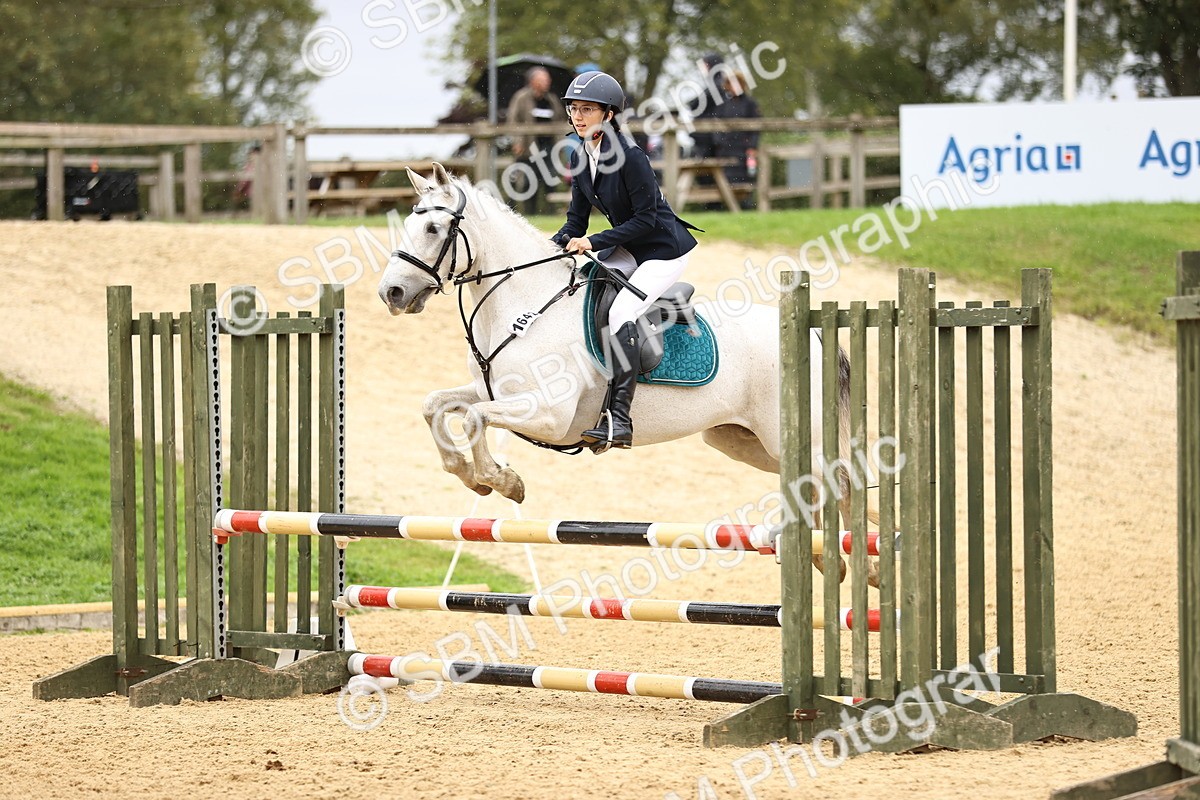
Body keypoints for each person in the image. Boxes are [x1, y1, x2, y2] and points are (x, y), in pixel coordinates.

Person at [552, 71, 701, 452]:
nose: (579, 117)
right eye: (574, 109)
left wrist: (593, 241)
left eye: (588, 110)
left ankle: (620, 419)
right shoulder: (581, 155)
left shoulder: (630, 156)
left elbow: (646, 220)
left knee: (621, 314)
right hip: (630, 245)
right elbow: (576, 219)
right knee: (584, 286)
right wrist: (554, 244)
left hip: (664, 249)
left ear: (609, 114)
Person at [506, 66, 566, 216]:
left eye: (547, 79)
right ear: (533, 81)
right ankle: (529, 214)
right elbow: (513, 121)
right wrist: (517, 141)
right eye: (543, 79)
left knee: (549, 181)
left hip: (549, 147)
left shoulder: (551, 99)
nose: (547, 82)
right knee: (528, 182)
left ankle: (550, 213)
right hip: (528, 149)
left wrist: (560, 142)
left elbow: (560, 120)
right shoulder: (521, 98)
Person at [714, 72, 761, 205]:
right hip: (726, 150)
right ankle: (728, 206)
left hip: (744, 150)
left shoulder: (750, 104)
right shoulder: (722, 104)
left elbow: (757, 127)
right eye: (730, 83)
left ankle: (746, 206)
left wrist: (752, 146)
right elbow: (715, 125)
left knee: (746, 180)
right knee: (726, 180)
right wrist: (720, 143)